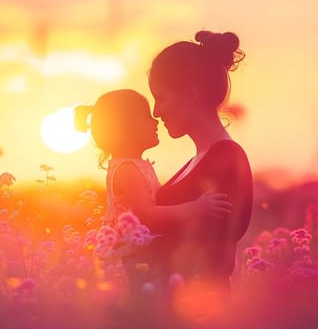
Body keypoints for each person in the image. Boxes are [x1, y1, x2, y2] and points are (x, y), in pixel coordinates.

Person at [144, 30, 253, 310]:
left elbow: (212, 249)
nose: (156, 112)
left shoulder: (226, 158)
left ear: (191, 93)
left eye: (161, 98)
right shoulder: (201, 159)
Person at [74, 90, 232, 278]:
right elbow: (147, 214)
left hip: (139, 251)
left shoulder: (132, 165)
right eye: (147, 117)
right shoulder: (128, 171)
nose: (155, 121)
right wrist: (196, 208)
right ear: (127, 128)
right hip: (134, 255)